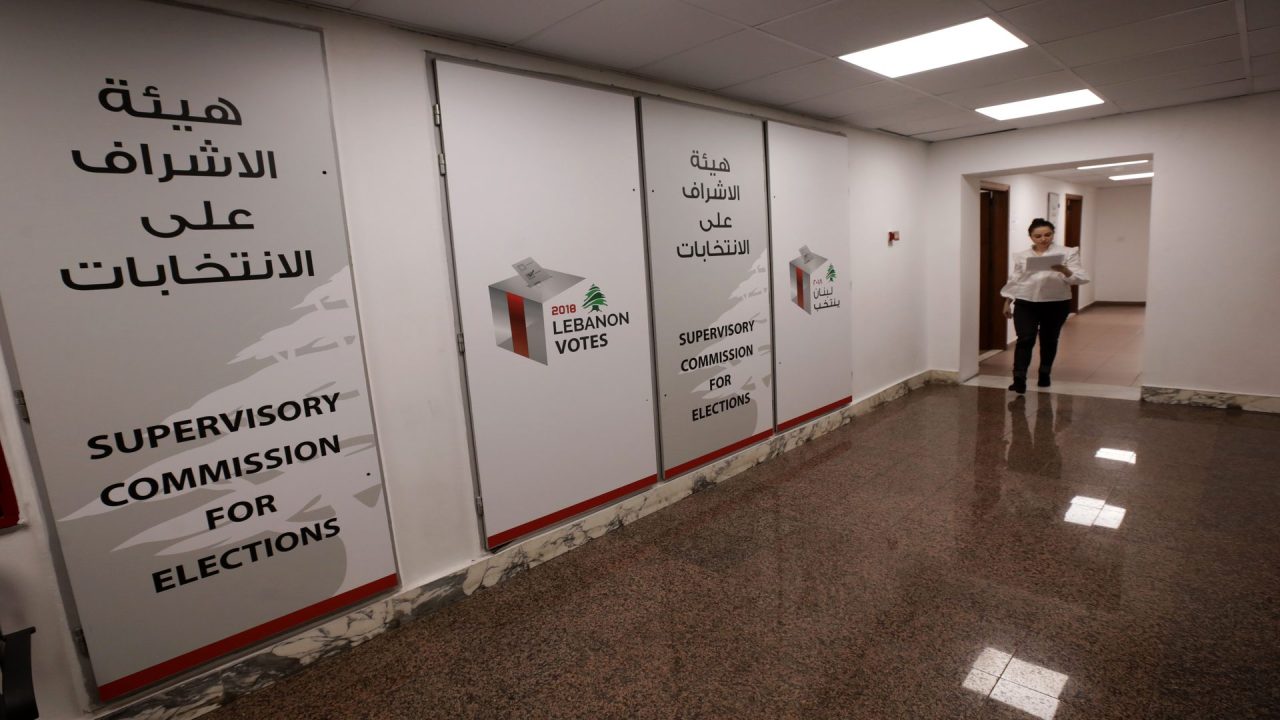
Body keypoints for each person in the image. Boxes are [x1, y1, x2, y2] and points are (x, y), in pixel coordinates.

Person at [999, 218, 1089, 393]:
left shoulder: (1068, 253)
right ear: (1031, 237)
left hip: (1056, 303)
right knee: (1025, 339)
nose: (1043, 239)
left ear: (1053, 234)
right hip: (1026, 302)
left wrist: (1064, 270)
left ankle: (1044, 373)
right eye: (1038, 236)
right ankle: (1019, 379)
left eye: (1048, 234)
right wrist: (1008, 300)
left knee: (1049, 340)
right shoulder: (1022, 255)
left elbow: (1081, 278)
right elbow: (1015, 279)